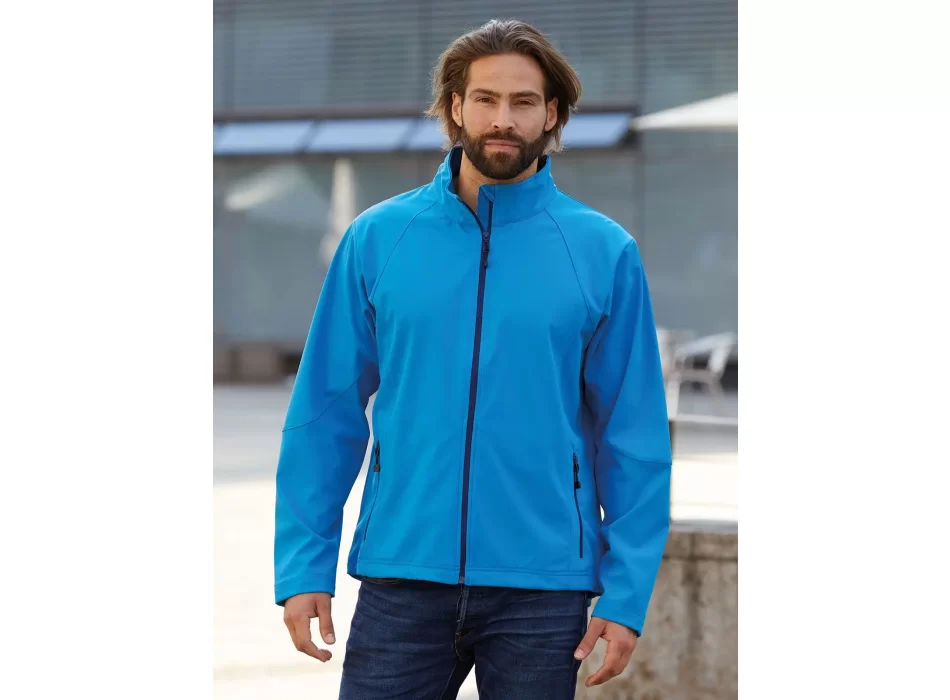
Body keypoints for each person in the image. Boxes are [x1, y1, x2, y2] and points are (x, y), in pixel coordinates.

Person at [274, 18, 672, 699]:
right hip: (404, 575)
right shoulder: (379, 239)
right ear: (456, 107)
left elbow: (632, 437)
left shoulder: (603, 252)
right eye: (485, 99)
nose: (502, 119)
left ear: (552, 114)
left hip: (543, 590)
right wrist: (304, 565)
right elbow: (323, 413)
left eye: (523, 102)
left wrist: (625, 595)